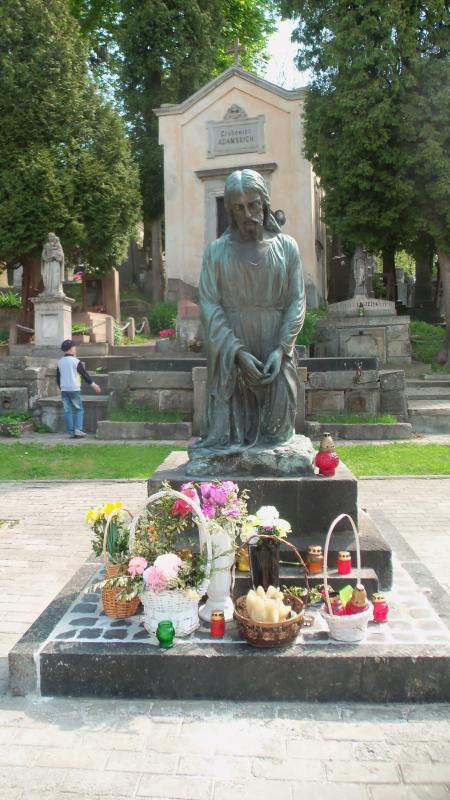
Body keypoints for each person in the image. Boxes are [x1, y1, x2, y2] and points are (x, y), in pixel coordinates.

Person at [190, 168, 306, 458]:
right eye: (238, 208)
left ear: (264, 202)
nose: (248, 214)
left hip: (274, 352)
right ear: (230, 211)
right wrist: (238, 353)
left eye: (253, 204)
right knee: (227, 445)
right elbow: (210, 307)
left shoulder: (286, 248)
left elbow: (297, 301)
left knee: (277, 438)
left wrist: (281, 349)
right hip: (232, 355)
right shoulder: (216, 252)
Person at [57, 339, 101, 438]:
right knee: (79, 409)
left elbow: (58, 378)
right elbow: (84, 374)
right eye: (74, 347)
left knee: (67, 410)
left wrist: (62, 387)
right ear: (71, 349)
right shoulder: (76, 361)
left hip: (64, 389)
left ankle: (71, 432)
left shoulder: (60, 362)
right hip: (74, 389)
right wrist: (94, 385)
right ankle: (78, 430)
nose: (75, 348)